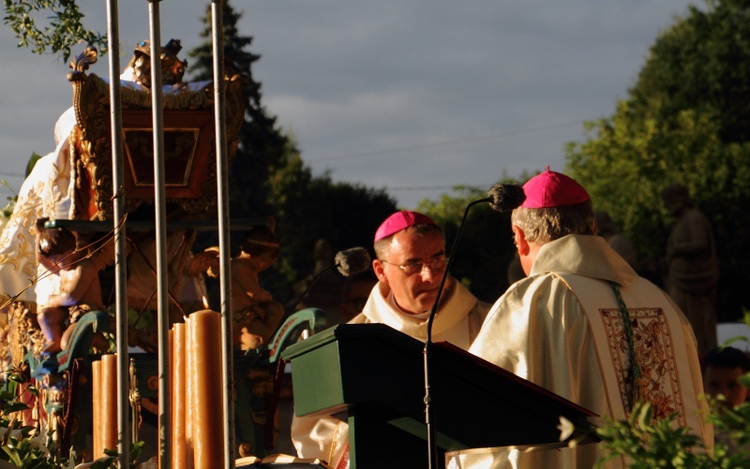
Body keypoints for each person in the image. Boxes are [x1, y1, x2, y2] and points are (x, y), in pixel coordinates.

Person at [450, 168, 712, 468]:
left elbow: (478, 413)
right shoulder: (660, 300)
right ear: (594, 228)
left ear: (520, 238)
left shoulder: (533, 301)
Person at [291, 210, 491, 468]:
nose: (430, 276)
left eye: (438, 258)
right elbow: (312, 428)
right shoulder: (349, 342)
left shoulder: (487, 323)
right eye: (413, 264)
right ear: (380, 270)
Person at [35, 220, 112, 354]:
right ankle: (54, 341)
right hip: (70, 313)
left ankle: (98, 340)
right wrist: (39, 234)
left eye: (58, 259)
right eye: (53, 261)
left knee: (67, 344)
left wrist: (52, 300)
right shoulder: (63, 267)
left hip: (86, 313)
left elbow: (71, 297)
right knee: (44, 316)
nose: (56, 264)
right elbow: (42, 260)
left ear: (71, 252)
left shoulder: (84, 267)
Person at [202, 225, 284, 351]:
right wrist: (265, 295)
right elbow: (254, 294)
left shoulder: (248, 268)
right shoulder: (239, 267)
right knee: (260, 340)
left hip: (253, 315)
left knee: (275, 310)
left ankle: (267, 345)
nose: (265, 266)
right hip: (241, 320)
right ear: (252, 254)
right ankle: (238, 340)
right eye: (264, 262)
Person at [661, 183, 719, 355]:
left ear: (681, 199)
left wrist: (678, 249)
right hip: (680, 278)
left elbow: (700, 243)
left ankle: (703, 358)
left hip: (694, 281)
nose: (668, 206)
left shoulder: (695, 218)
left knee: (698, 323)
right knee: (682, 322)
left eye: (670, 201)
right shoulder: (681, 223)